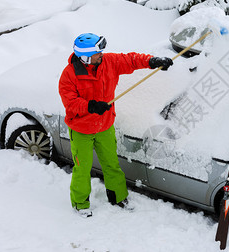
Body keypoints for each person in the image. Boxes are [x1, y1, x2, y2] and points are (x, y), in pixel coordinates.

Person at [58, 33, 173, 217]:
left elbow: (130, 60)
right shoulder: (69, 76)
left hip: (105, 126)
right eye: (97, 53)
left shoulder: (108, 62)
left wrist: (152, 61)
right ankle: (80, 203)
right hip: (82, 130)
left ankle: (117, 197)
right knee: (83, 168)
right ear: (85, 57)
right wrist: (91, 105)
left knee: (112, 165)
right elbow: (70, 103)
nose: (101, 54)